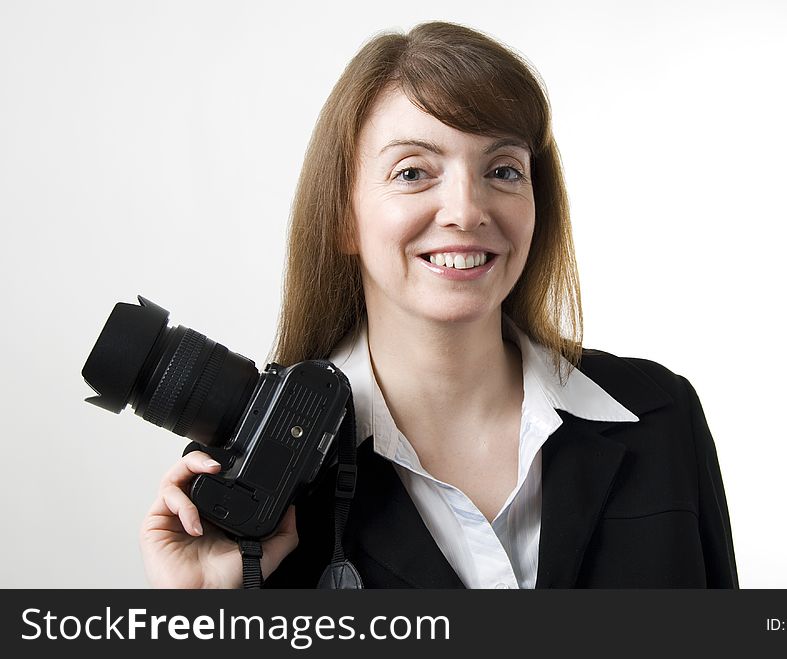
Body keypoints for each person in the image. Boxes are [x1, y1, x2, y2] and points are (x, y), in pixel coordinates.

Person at [140, 21, 738, 589]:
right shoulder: (250, 484)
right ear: (344, 216)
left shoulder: (662, 417)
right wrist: (209, 611)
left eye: (503, 169)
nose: (466, 210)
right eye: (412, 173)